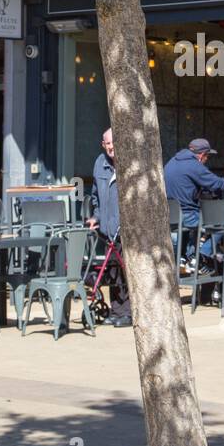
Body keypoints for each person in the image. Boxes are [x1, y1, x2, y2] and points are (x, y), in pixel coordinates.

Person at [85, 128, 130, 327]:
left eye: (114, 142)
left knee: (126, 272)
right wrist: (96, 216)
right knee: (112, 271)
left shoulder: (129, 164)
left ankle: (128, 313)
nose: (111, 147)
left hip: (126, 230)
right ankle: (116, 311)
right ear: (103, 145)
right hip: (107, 229)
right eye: (108, 143)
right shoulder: (100, 163)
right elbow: (95, 196)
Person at [164, 137, 224, 266]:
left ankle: (186, 256)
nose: (206, 160)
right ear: (202, 155)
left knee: (192, 224)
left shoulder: (172, 161)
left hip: (171, 215)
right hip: (188, 216)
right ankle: (202, 255)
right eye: (207, 157)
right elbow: (217, 184)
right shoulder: (194, 165)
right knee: (223, 221)